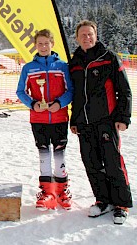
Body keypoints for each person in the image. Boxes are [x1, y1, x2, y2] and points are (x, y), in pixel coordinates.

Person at [69, 20, 133, 225]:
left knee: (113, 162)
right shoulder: (75, 62)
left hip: (107, 121)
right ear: (77, 38)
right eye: (83, 35)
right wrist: (74, 120)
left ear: (96, 36)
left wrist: (123, 117)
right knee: (92, 163)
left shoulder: (109, 58)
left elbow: (125, 90)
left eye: (90, 34)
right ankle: (103, 200)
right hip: (84, 123)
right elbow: (76, 95)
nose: (87, 38)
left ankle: (121, 204)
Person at [16, 29, 73, 210]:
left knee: (58, 154)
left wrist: (60, 103)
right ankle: (47, 191)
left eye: (46, 43)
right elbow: (20, 91)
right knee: (43, 154)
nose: (43, 47)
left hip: (59, 117)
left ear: (52, 44)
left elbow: (70, 90)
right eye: (39, 44)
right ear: (35, 45)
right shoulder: (28, 68)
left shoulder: (62, 66)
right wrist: (33, 104)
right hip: (38, 119)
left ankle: (62, 191)